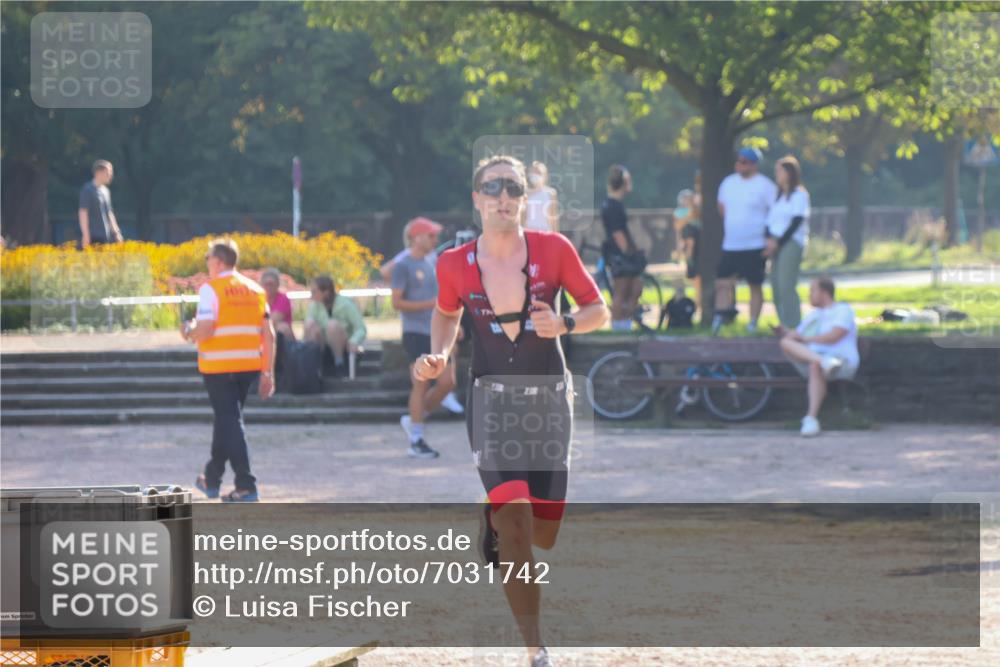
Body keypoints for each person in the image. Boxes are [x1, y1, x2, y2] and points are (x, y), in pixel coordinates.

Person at [417, 155, 608, 667]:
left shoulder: (555, 249)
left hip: (548, 400)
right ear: (477, 198)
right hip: (491, 402)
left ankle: (494, 518)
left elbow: (599, 309)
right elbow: (445, 311)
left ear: (525, 199)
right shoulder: (454, 262)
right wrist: (439, 352)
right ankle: (535, 647)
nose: (504, 196)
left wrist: (566, 324)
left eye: (514, 188)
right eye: (493, 187)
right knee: (517, 527)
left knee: (543, 533)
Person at [182, 238, 274, 503]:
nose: (206, 262)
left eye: (208, 258)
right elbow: (268, 334)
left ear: (219, 261)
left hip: (218, 366)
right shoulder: (255, 290)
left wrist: (188, 331)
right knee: (227, 420)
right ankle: (212, 478)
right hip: (247, 365)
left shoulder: (212, 289)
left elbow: (207, 328)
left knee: (230, 421)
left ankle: (246, 485)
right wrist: (267, 372)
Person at [392, 217, 458, 459]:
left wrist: (453, 322)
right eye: (430, 236)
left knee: (448, 382)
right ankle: (416, 439)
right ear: (416, 237)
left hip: (435, 332)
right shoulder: (403, 265)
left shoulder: (434, 261)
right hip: (415, 332)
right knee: (421, 384)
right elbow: (396, 302)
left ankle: (414, 418)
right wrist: (430, 304)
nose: (435, 240)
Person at [777, 277, 859, 438]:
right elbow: (797, 336)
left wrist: (805, 340)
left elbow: (835, 336)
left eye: (812, 291)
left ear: (823, 292)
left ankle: (811, 418)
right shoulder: (813, 316)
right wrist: (786, 332)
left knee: (815, 366)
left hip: (841, 361)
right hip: (818, 360)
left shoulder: (843, 310)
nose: (809, 295)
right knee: (786, 342)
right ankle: (823, 362)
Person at [712, 147, 778, 333]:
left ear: (754, 164)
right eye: (738, 161)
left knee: (754, 284)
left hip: (755, 244)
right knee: (722, 282)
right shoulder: (728, 183)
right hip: (731, 244)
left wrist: (769, 238)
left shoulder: (765, 186)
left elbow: (774, 214)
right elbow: (722, 208)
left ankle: (752, 323)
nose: (739, 165)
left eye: (744, 162)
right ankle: (721, 319)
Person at [765, 155, 810, 329]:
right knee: (775, 285)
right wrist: (769, 241)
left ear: (790, 173)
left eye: (780, 171)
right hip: (775, 242)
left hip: (791, 242)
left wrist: (779, 243)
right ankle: (783, 324)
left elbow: (796, 220)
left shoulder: (799, 195)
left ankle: (794, 325)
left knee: (786, 285)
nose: (777, 174)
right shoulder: (778, 197)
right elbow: (769, 222)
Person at [601, 164, 645, 331]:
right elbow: (617, 232)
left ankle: (625, 322)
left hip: (618, 252)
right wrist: (628, 252)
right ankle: (618, 325)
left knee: (635, 286)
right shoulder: (613, 205)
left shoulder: (611, 203)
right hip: (619, 254)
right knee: (621, 289)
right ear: (624, 183)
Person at [304, 275, 367, 376]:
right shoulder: (314, 306)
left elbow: (361, 328)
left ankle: (339, 364)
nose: (311, 295)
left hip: (344, 346)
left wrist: (354, 341)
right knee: (309, 324)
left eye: (314, 291)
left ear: (326, 292)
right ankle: (313, 365)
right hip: (323, 346)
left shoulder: (346, 304)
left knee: (332, 325)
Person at [78, 160, 124, 248]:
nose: (110, 176)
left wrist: (116, 233)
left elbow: (109, 213)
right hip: (92, 237)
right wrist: (86, 235)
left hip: (105, 236)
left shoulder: (106, 191)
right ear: (98, 173)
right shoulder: (87, 190)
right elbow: (83, 212)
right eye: (108, 173)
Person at [260, 268, 294, 341]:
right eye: (266, 284)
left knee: (282, 327)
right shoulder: (259, 298)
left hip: (282, 340)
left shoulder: (283, 299)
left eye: (271, 284)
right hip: (264, 334)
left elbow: (272, 320)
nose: (268, 287)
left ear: (278, 284)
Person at [524, 161, 560, 232]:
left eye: (538, 172)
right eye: (533, 172)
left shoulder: (550, 193)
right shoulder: (525, 193)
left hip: (545, 230)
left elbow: (553, 217)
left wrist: (555, 234)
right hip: (528, 230)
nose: (535, 175)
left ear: (544, 175)